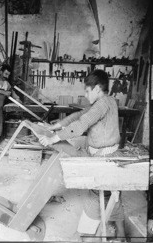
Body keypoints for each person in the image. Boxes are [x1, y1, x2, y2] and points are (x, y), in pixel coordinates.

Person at [38, 69, 125, 240]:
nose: (85, 95)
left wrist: (54, 138)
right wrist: (55, 126)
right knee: (111, 192)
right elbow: (79, 115)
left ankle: (85, 232)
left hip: (104, 156)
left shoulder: (103, 103)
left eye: (87, 90)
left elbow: (82, 124)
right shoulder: (104, 102)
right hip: (102, 152)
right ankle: (120, 232)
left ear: (98, 88)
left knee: (97, 192)